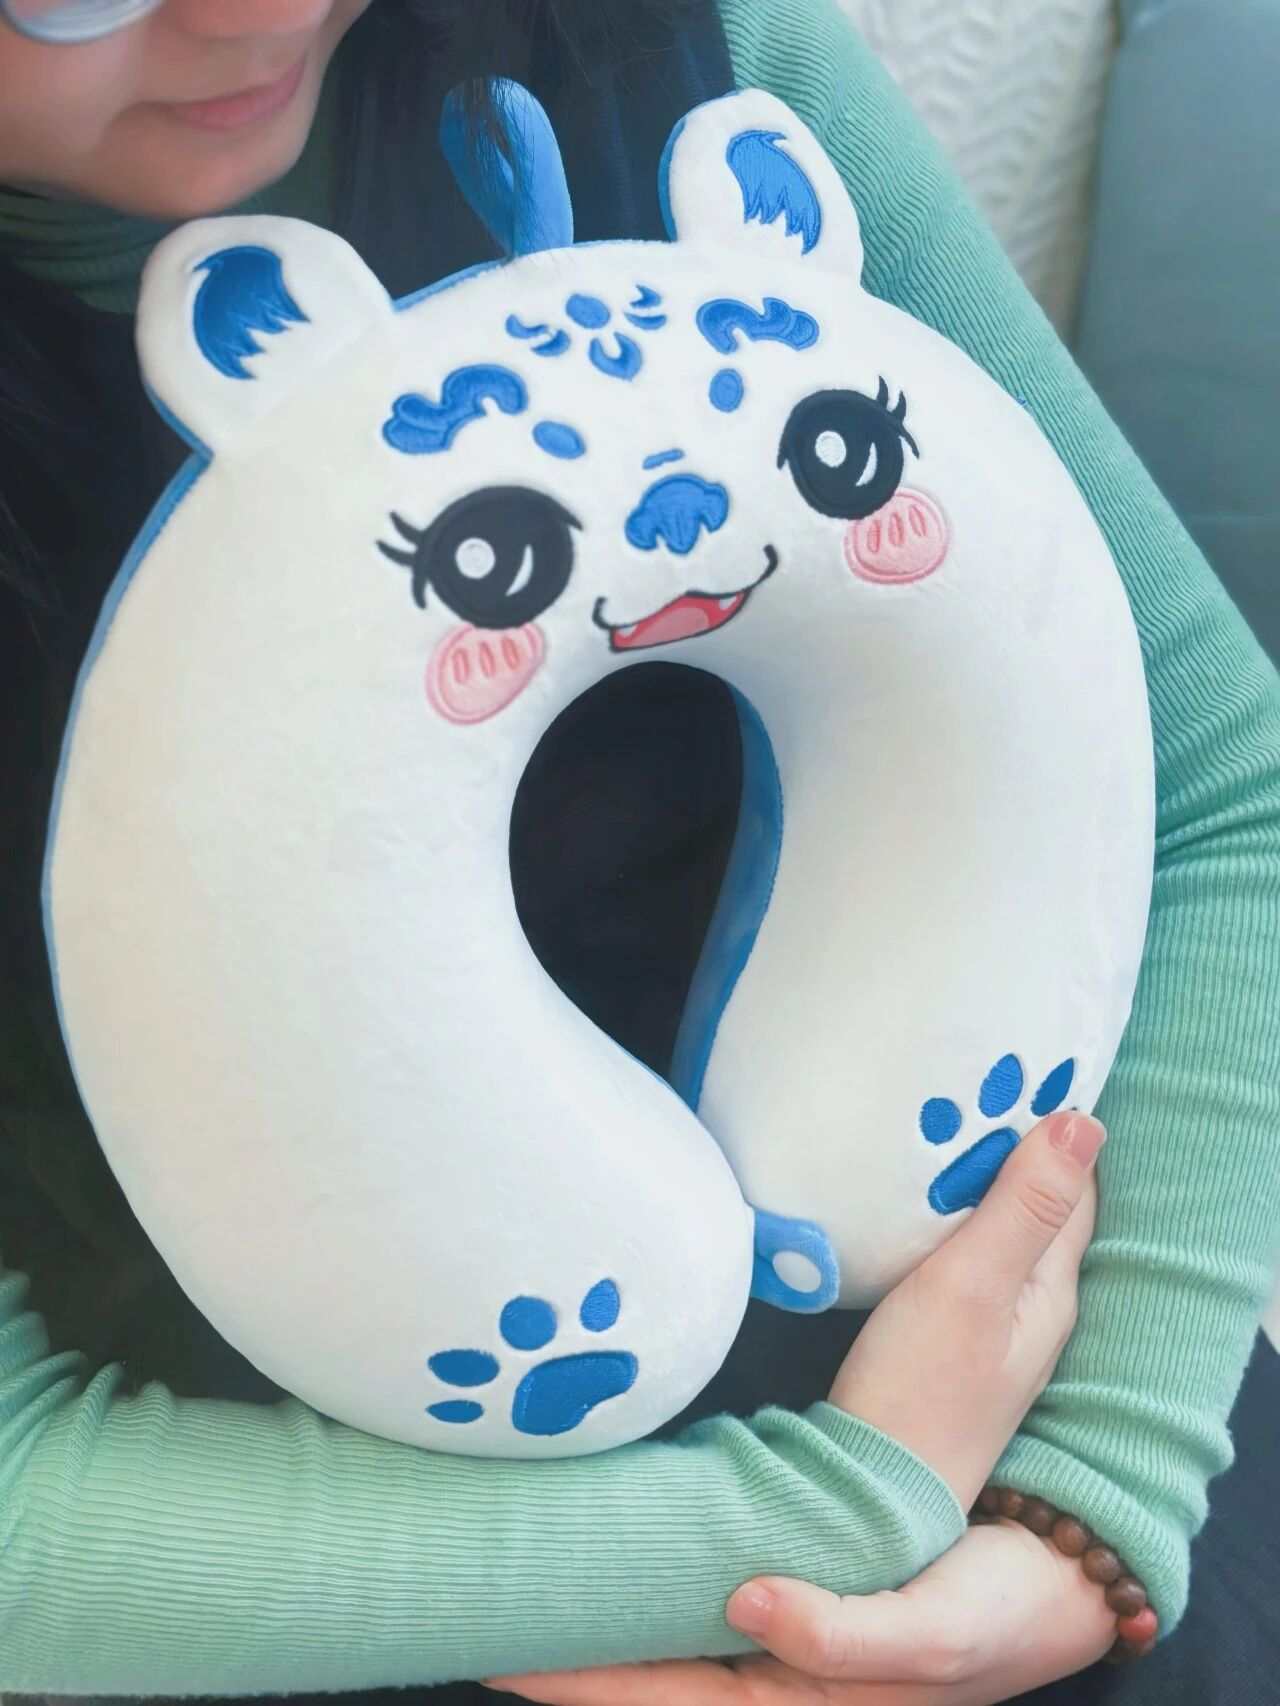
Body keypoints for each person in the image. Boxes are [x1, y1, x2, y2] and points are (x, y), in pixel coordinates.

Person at [0, 4, 1276, 1705]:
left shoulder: (677, 54)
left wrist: (1094, 1496)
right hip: (275, 1567)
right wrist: (821, 1513)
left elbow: (1218, 781)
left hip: (1034, 1405)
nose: (253, 8)